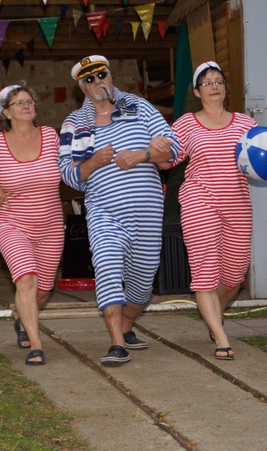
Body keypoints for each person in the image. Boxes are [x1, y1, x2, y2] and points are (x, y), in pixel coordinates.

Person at [162, 61, 267, 360]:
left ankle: (214, 316)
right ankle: (221, 337)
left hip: (237, 205)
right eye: (207, 82)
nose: (214, 86)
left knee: (234, 275)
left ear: (225, 88)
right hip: (199, 201)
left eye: (219, 81)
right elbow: (167, 161)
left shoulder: (245, 125)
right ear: (197, 92)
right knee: (205, 272)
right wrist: (155, 151)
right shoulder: (185, 124)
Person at [58, 56, 180, 366]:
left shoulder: (139, 107)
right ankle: (116, 343)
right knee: (107, 267)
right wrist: (93, 162)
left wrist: (142, 155)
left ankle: (125, 327)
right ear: (82, 88)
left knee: (142, 284)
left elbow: (174, 148)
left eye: (101, 74)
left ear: (110, 76)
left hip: (148, 215)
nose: (97, 81)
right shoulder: (74, 123)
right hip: (104, 212)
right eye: (89, 79)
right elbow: (67, 174)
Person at [0, 84, 64, 366]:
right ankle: (36, 346)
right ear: (6, 113)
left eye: (29, 101)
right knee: (26, 280)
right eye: (18, 103)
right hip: (13, 222)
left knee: (43, 290)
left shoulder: (51, 136)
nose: (26, 106)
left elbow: (70, 166)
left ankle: (24, 321)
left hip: (50, 225)